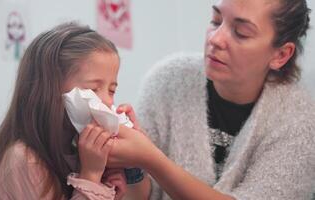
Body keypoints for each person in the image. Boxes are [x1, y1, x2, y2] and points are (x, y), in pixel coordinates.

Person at [108, 0, 315, 199]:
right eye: (216, 21)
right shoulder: (168, 80)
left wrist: (150, 159)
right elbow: (142, 193)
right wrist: (131, 164)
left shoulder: (301, 120)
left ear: (281, 54)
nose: (215, 39)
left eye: (241, 33)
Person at [0, 22, 150, 199]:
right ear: (50, 89)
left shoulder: (78, 150)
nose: (108, 102)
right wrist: (91, 176)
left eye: (112, 90)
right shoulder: (24, 160)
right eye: (93, 89)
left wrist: (128, 166)